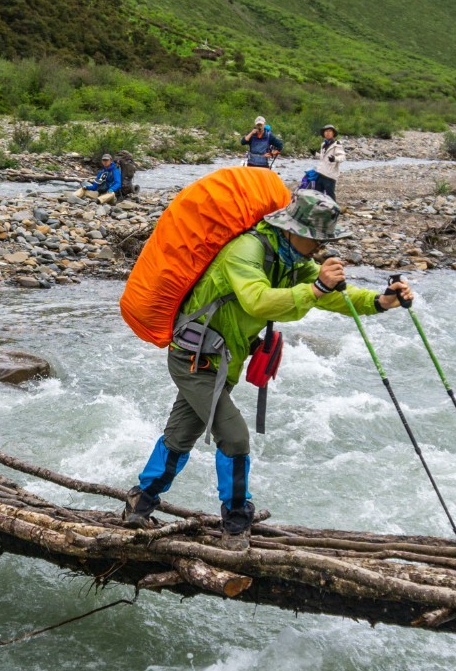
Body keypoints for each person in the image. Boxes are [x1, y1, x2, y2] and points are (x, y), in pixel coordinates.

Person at [123, 189, 410, 545]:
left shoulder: (288, 260)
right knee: (235, 438)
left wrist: (380, 302)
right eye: (316, 239)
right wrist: (317, 288)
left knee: (180, 436)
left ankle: (141, 500)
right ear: (296, 231)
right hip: (195, 359)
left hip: (221, 361)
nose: (320, 247)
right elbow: (258, 300)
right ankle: (236, 521)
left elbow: (333, 296)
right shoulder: (247, 250)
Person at [312, 124, 345, 199]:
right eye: (326, 131)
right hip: (321, 173)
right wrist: (315, 154)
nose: (327, 133)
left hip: (330, 175)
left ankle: (334, 210)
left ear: (333, 133)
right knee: (318, 194)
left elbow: (343, 157)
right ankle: (320, 210)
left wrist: (335, 159)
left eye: (330, 131)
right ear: (324, 133)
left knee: (330, 195)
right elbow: (323, 158)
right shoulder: (323, 144)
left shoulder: (337, 145)